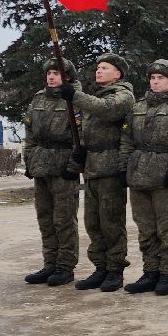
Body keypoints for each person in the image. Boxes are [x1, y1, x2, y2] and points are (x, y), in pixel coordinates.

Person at [121, 59, 168, 297]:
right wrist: (125, 167)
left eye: (160, 78)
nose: (155, 82)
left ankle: (167, 274)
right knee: (145, 229)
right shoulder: (138, 106)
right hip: (139, 176)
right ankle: (150, 272)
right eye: (152, 78)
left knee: (167, 230)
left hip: (165, 177)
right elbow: (126, 139)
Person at [62, 52, 135, 292]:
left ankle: (115, 270)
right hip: (92, 167)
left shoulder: (123, 95)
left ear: (118, 73)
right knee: (93, 222)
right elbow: (84, 130)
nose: (99, 71)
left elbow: (107, 110)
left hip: (111, 167)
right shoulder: (95, 97)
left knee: (111, 222)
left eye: (104, 68)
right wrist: (78, 157)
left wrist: (76, 95)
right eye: (98, 67)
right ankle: (100, 267)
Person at [21, 60, 82, 287]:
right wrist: (29, 160)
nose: (51, 77)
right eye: (49, 73)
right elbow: (30, 133)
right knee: (45, 218)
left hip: (63, 165)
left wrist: (73, 167)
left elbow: (81, 136)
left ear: (68, 76)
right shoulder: (39, 99)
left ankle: (65, 266)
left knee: (63, 219)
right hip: (41, 166)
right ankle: (50, 263)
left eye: (56, 73)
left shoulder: (74, 99)